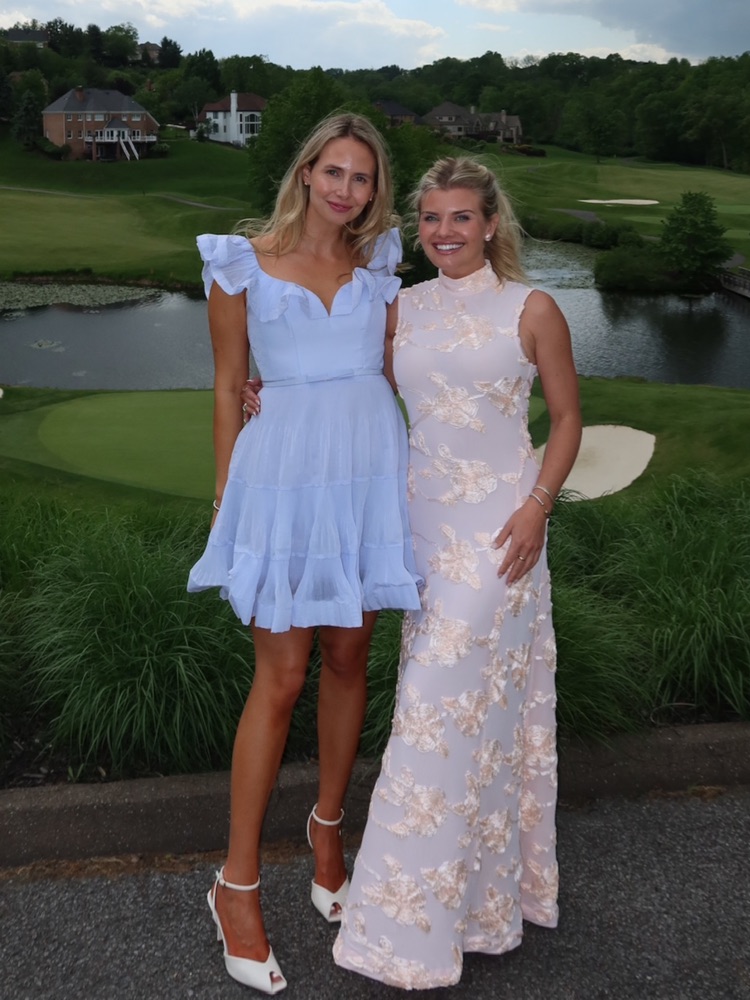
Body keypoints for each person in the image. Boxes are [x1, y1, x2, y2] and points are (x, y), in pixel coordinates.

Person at [330, 156, 582, 988]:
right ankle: (479, 908)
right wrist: (271, 389)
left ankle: (404, 926)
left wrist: (538, 507)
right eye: (432, 218)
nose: (445, 232)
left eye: (461, 217)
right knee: (457, 714)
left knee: (435, 711)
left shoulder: (532, 308)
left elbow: (568, 418)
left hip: (501, 534)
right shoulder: (401, 308)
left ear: (491, 223)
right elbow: (357, 390)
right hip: (422, 534)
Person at [187, 112, 422, 995]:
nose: (346, 190)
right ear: (305, 172)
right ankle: (236, 885)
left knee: (351, 655)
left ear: (375, 189)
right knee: (281, 679)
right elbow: (226, 384)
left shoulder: (382, 264)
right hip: (283, 481)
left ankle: (328, 833)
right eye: (334, 171)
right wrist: (227, 498)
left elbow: (398, 372)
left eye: (363, 177)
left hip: (366, 476)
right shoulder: (239, 263)